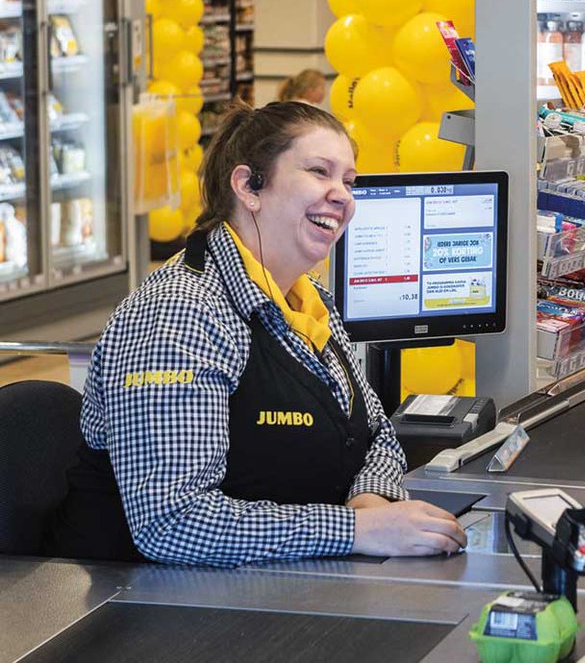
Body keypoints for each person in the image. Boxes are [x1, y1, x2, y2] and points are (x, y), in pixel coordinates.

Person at [45, 101, 466, 566]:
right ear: (248, 186)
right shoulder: (177, 315)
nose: (343, 196)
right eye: (319, 172)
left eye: (348, 180)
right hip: (145, 609)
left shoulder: (309, 302)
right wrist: (355, 529)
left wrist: (370, 502)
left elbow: (377, 435)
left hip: (276, 586)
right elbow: (172, 523)